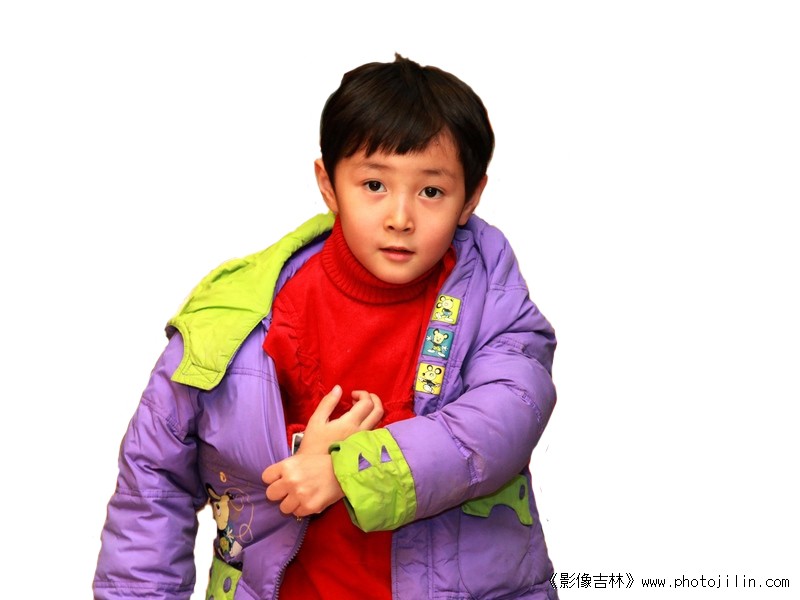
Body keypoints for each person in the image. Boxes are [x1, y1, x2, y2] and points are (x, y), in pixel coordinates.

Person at [94, 54, 559, 600]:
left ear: (471, 198)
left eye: (431, 191)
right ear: (328, 184)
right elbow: (152, 480)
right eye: (374, 184)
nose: (401, 218)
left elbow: (507, 414)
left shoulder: (492, 301)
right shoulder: (240, 311)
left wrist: (348, 472)